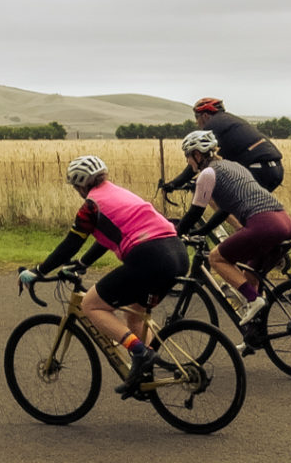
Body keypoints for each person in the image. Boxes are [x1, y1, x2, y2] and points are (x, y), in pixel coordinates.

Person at [17, 155, 189, 398]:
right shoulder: (117, 193)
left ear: (80, 185)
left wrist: (38, 271)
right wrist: (83, 263)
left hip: (149, 257)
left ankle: (140, 352)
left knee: (91, 305)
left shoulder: (91, 205)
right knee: (135, 315)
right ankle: (147, 374)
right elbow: (105, 237)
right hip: (177, 255)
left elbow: (71, 243)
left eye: (76, 187)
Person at [171, 130, 291, 327]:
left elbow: (195, 212)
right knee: (249, 275)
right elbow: (224, 210)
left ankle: (253, 300)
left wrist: (174, 234)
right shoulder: (234, 166)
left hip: (264, 225)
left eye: (188, 156)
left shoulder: (207, 173)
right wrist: (201, 232)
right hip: (286, 223)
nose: (188, 162)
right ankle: (255, 333)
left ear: (197, 154)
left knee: (216, 258)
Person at [160, 97, 284, 194]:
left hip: (259, 169)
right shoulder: (229, 122)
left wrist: (174, 183)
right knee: (256, 210)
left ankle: (233, 228)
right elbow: (217, 164)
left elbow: (197, 159)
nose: (197, 123)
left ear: (205, 116)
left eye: (196, 118)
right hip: (274, 168)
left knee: (230, 204)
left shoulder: (213, 126)